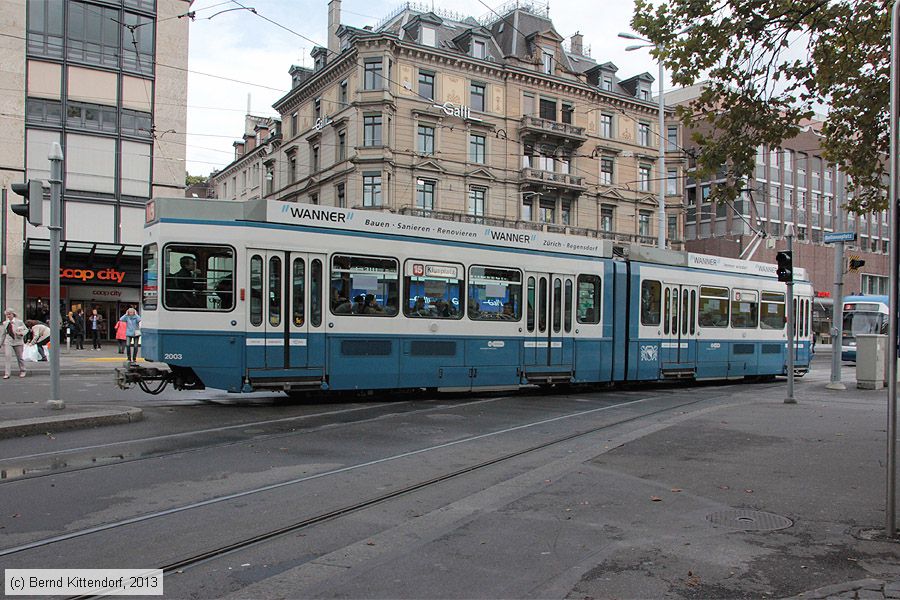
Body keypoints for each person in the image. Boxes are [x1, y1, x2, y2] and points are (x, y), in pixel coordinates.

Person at [0, 308, 28, 379]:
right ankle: (7, 373)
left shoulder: (19, 322)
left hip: (18, 341)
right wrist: (0, 343)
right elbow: (3, 334)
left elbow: (26, 330)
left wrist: (21, 333)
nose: (8, 316)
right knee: (7, 356)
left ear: (13, 314)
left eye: (9, 314)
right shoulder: (5, 323)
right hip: (8, 341)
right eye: (7, 315)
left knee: (20, 357)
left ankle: (23, 371)